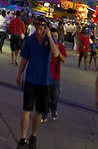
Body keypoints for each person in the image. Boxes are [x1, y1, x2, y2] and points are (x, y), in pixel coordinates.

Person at [16, 17, 63, 148]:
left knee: (39, 111)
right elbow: (24, 59)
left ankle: (33, 136)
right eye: (36, 26)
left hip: (44, 81)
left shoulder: (50, 39)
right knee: (26, 109)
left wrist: (49, 36)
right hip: (30, 79)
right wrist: (19, 74)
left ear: (45, 28)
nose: (38, 29)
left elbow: (55, 54)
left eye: (41, 27)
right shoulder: (29, 40)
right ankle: (23, 139)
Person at [42, 24, 68, 122]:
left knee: (55, 96)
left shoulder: (61, 46)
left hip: (55, 75)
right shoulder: (45, 45)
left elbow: (64, 59)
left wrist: (57, 50)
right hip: (45, 75)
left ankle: (54, 110)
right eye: (52, 36)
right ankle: (44, 114)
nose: (54, 38)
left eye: (56, 36)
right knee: (46, 96)